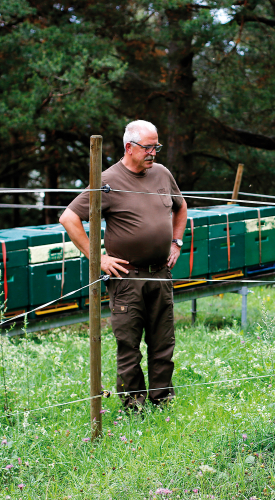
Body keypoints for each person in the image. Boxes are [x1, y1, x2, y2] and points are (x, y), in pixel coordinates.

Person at [60, 120, 188, 410]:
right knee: (129, 346)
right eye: (148, 147)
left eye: (157, 146)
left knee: (163, 344)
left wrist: (176, 242)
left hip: (161, 274)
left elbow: (181, 207)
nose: (153, 152)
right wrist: (99, 258)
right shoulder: (108, 180)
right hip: (127, 278)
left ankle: (162, 400)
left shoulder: (162, 175)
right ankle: (134, 405)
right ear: (129, 147)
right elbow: (69, 218)